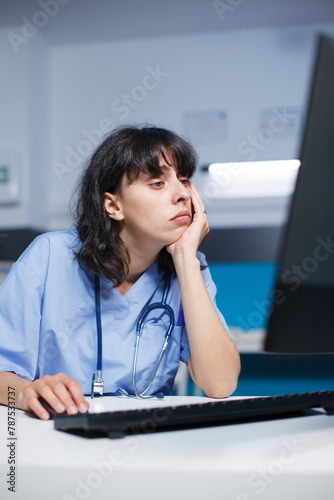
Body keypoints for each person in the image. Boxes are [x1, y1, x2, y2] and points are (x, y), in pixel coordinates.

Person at [0, 125, 240, 420]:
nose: (182, 194)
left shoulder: (189, 266)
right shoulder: (48, 256)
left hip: (146, 440)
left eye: (185, 180)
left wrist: (186, 258)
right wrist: (25, 392)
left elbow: (220, 384)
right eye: (157, 183)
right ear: (113, 206)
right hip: (57, 432)